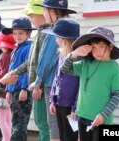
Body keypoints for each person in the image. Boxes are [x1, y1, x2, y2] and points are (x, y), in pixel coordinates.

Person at [61, 26, 119, 141]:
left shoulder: (114, 68)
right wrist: (74, 54)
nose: (97, 51)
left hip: (102, 119)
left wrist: (104, 115)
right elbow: (65, 69)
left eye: (102, 46)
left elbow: (117, 95)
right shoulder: (85, 63)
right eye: (94, 47)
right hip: (82, 116)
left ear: (110, 46)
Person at [33, 0, 76, 140]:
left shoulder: (55, 32)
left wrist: (38, 81)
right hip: (65, 86)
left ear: (52, 12)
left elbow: (46, 61)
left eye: (44, 10)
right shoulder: (69, 28)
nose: (43, 14)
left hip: (52, 84)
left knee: (54, 125)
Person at [14, 0, 51, 140]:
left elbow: (45, 63)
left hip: (40, 87)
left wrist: (38, 84)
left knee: (44, 124)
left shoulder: (47, 34)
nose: (30, 19)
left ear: (41, 13)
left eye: (31, 15)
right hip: (36, 86)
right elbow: (31, 61)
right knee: (40, 122)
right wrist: (15, 72)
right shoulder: (40, 33)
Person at [44, 18, 80, 141]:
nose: (55, 39)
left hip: (70, 105)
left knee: (70, 137)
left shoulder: (79, 58)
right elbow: (57, 78)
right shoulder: (61, 54)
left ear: (64, 39)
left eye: (57, 36)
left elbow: (81, 85)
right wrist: (52, 100)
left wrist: (75, 108)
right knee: (63, 135)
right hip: (59, 102)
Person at [3, 17, 35, 141]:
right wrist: (8, 90)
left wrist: (24, 88)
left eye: (21, 33)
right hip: (14, 90)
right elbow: (11, 70)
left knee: (20, 124)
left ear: (28, 33)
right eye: (15, 33)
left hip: (22, 91)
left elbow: (29, 69)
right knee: (15, 121)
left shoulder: (29, 48)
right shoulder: (16, 49)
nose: (17, 36)